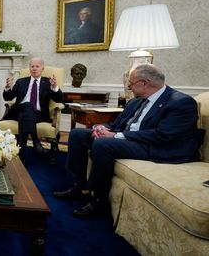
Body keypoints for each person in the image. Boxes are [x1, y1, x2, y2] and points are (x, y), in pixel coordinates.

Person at [53, 64, 202, 217]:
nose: (129, 87)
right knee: (78, 134)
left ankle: (98, 199)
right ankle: (79, 186)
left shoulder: (180, 102)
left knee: (103, 144)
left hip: (157, 147)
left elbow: (163, 135)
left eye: (131, 83)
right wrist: (102, 127)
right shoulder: (136, 101)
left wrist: (116, 136)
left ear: (144, 83)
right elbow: (117, 124)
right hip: (130, 140)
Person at [1, 58, 63, 157]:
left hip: (38, 114)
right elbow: (8, 97)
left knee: (24, 116)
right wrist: (8, 87)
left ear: (42, 69)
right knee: (28, 105)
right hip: (17, 110)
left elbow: (59, 99)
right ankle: (36, 142)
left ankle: (21, 153)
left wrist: (54, 86)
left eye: (37, 66)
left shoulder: (48, 82)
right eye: (32, 66)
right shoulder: (21, 81)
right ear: (29, 68)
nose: (34, 69)